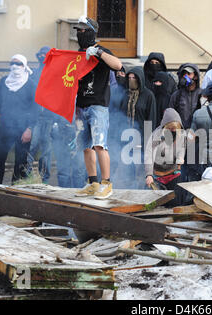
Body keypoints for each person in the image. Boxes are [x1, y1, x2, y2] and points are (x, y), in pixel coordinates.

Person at [73, 16, 122, 199]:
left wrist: (98, 52)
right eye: (78, 30)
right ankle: (92, 183)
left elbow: (118, 65)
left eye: (83, 30)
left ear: (92, 32)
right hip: (82, 105)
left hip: (98, 106)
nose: (80, 33)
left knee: (100, 145)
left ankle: (106, 184)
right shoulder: (79, 53)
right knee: (86, 147)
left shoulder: (101, 51)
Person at [0, 54, 38, 186]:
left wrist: (29, 129)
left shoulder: (31, 84)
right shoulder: (4, 82)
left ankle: (16, 187)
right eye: (12, 63)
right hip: (5, 125)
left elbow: (36, 108)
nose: (15, 66)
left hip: (23, 128)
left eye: (18, 64)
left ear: (24, 66)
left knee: (21, 160)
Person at [144, 108, 186, 207]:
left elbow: (182, 148)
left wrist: (180, 161)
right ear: (165, 126)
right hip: (157, 174)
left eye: (176, 128)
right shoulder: (156, 135)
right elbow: (149, 155)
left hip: (173, 172)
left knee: (175, 202)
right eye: (171, 128)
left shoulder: (181, 134)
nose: (174, 130)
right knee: (156, 203)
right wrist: (149, 174)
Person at [26, 46, 55, 184]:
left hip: (50, 118)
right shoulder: (33, 75)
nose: (42, 57)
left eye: (45, 54)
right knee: (31, 147)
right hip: (35, 118)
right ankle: (27, 176)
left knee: (46, 150)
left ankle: (45, 179)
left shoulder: (55, 74)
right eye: (41, 54)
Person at [169, 64, 202, 129]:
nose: (186, 76)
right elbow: (171, 114)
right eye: (184, 74)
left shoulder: (201, 94)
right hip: (181, 132)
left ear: (195, 76)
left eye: (189, 74)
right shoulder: (176, 95)